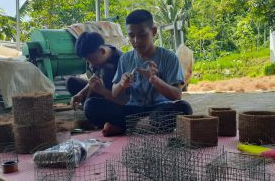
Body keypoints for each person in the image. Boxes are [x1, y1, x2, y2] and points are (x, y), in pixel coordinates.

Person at [84, 9, 193, 137]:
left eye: (142, 35)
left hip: (158, 109)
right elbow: (114, 92)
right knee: (90, 106)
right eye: (131, 36)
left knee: (184, 108)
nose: (136, 40)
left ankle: (125, 126)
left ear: (153, 32)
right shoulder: (125, 58)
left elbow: (177, 96)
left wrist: (155, 80)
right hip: (132, 110)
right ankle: (141, 126)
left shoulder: (169, 57)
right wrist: (122, 84)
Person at [66, 31, 124, 109]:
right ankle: (88, 105)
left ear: (102, 51)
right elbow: (94, 79)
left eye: (92, 60)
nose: (91, 64)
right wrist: (81, 94)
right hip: (102, 92)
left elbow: (126, 100)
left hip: (116, 100)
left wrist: (103, 91)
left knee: (107, 70)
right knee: (71, 82)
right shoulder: (98, 54)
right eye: (87, 61)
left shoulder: (122, 62)